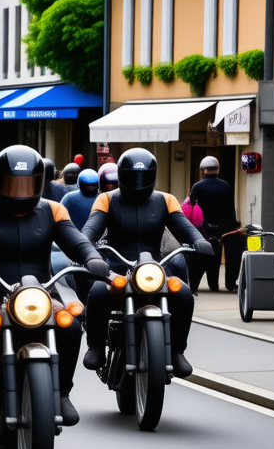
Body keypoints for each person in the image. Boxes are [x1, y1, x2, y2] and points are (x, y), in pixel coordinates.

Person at [0, 145, 107, 426]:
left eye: (27, 184)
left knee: (72, 327)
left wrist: (92, 257)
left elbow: (77, 241)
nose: (20, 192)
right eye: (12, 184)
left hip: (41, 293)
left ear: (39, 182)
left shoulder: (53, 210)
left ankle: (62, 393)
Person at [81, 148, 209, 378]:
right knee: (99, 291)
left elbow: (185, 227)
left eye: (143, 177)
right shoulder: (106, 199)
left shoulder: (166, 200)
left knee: (184, 295)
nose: (138, 183)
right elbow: (90, 229)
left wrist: (199, 241)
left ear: (152, 176)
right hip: (117, 269)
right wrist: (87, 250)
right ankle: (96, 347)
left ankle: (177, 351)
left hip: (154, 270)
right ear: (122, 175)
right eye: (132, 177)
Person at [187, 156, 241, 292]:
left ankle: (208, 284)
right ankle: (230, 283)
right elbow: (230, 209)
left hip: (203, 228)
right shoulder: (226, 186)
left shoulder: (197, 187)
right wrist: (234, 225)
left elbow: (192, 208)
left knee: (205, 254)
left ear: (201, 171)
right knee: (229, 253)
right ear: (217, 170)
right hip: (223, 227)